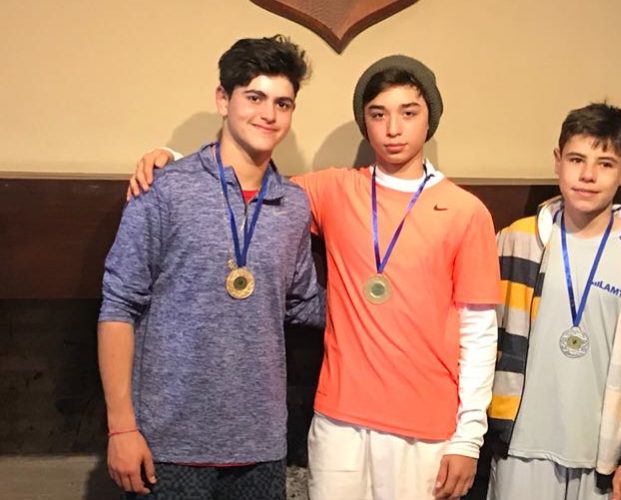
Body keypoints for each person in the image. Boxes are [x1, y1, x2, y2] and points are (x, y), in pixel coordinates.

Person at [128, 54, 501, 500]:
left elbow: (479, 332)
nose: (393, 129)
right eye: (378, 114)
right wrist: (172, 160)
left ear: (430, 118)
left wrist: (468, 437)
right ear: (365, 122)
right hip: (338, 420)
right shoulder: (332, 189)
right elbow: (248, 184)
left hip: (427, 427)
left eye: (408, 113)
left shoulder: (466, 212)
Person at [99, 35, 324, 498]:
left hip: (260, 444)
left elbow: (303, 303)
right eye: (254, 97)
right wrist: (121, 427)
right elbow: (119, 306)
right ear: (223, 99)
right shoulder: (164, 189)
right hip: (168, 442)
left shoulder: (294, 205)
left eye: (282, 103)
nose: (269, 114)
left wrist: (397, 301)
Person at [487, 103, 621, 500]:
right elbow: (483, 340)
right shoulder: (516, 241)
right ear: (557, 161)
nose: (588, 175)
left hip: (603, 456)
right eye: (576, 160)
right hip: (520, 448)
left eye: (605, 164)